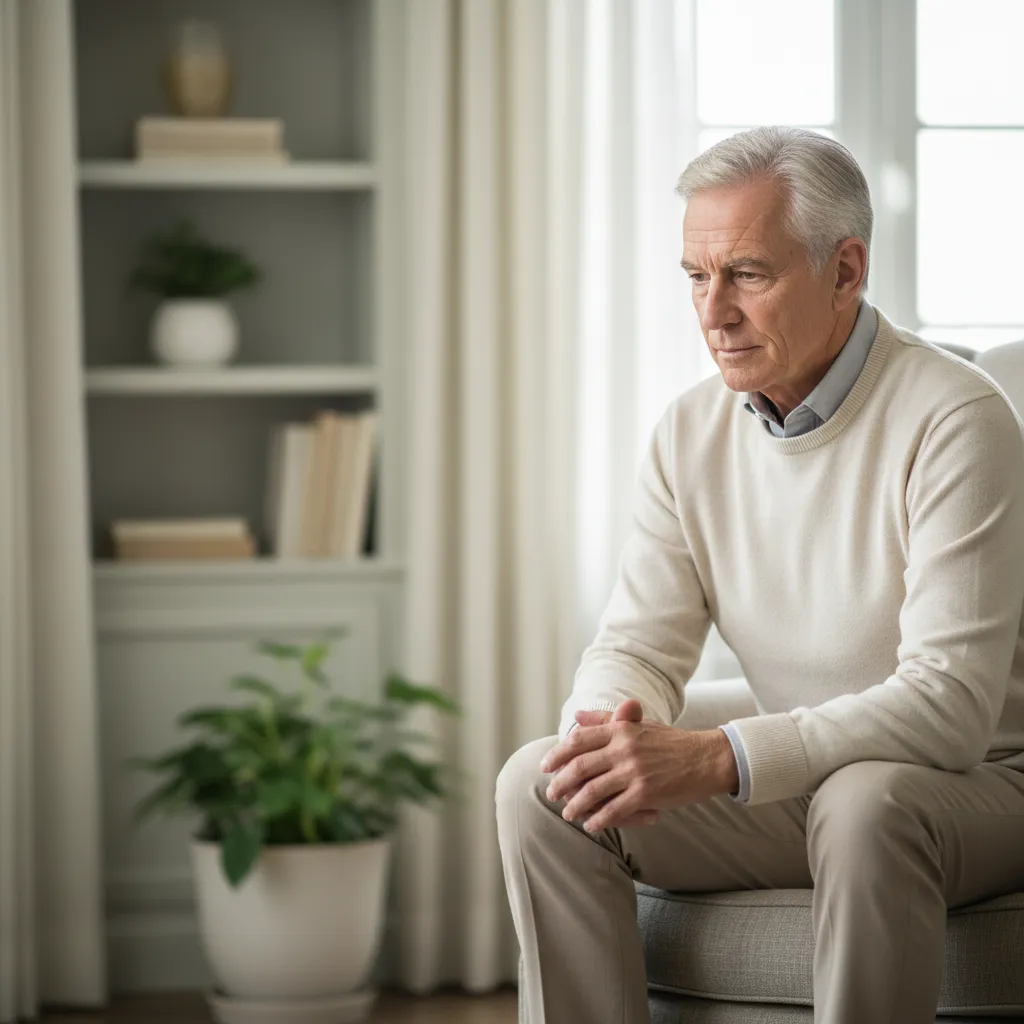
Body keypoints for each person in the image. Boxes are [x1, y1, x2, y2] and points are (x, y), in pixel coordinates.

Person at [495, 126, 1024, 1024]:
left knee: (865, 804)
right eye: (697, 279)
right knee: (544, 786)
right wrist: (604, 736)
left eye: (746, 274)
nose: (713, 312)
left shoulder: (957, 419)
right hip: (810, 782)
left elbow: (946, 709)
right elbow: (636, 644)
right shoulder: (688, 433)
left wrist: (717, 756)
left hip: (983, 781)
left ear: (846, 270)